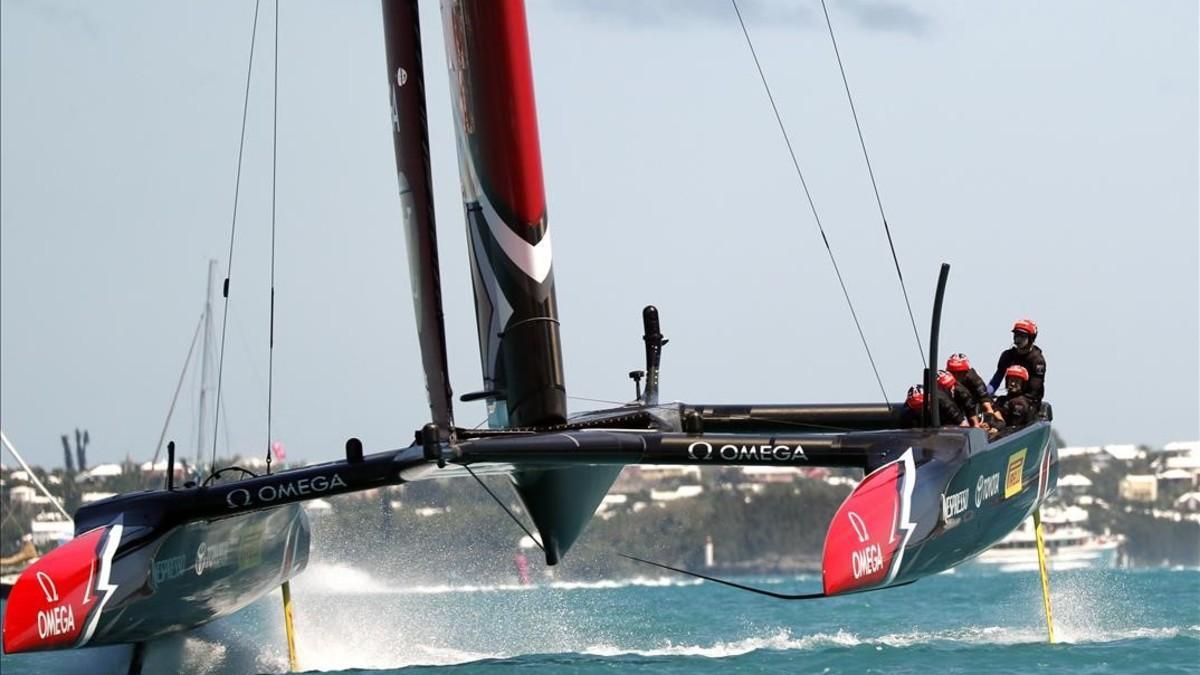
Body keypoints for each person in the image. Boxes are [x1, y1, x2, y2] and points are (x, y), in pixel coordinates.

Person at [988, 318, 1046, 406]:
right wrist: (986, 396)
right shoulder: (1007, 355)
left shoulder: (1037, 361)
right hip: (1011, 397)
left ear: (1031, 338)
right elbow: (997, 379)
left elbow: (1034, 390)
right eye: (1016, 335)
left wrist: (1016, 402)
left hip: (1029, 402)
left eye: (1022, 336)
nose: (1018, 339)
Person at [947, 353, 1002, 424]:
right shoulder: (946, 380)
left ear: (965, 372)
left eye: (959, 373)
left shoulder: (974, 380)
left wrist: (989, 423)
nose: (955, 376)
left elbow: (987, 406)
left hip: (976, 406)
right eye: (952, 372)